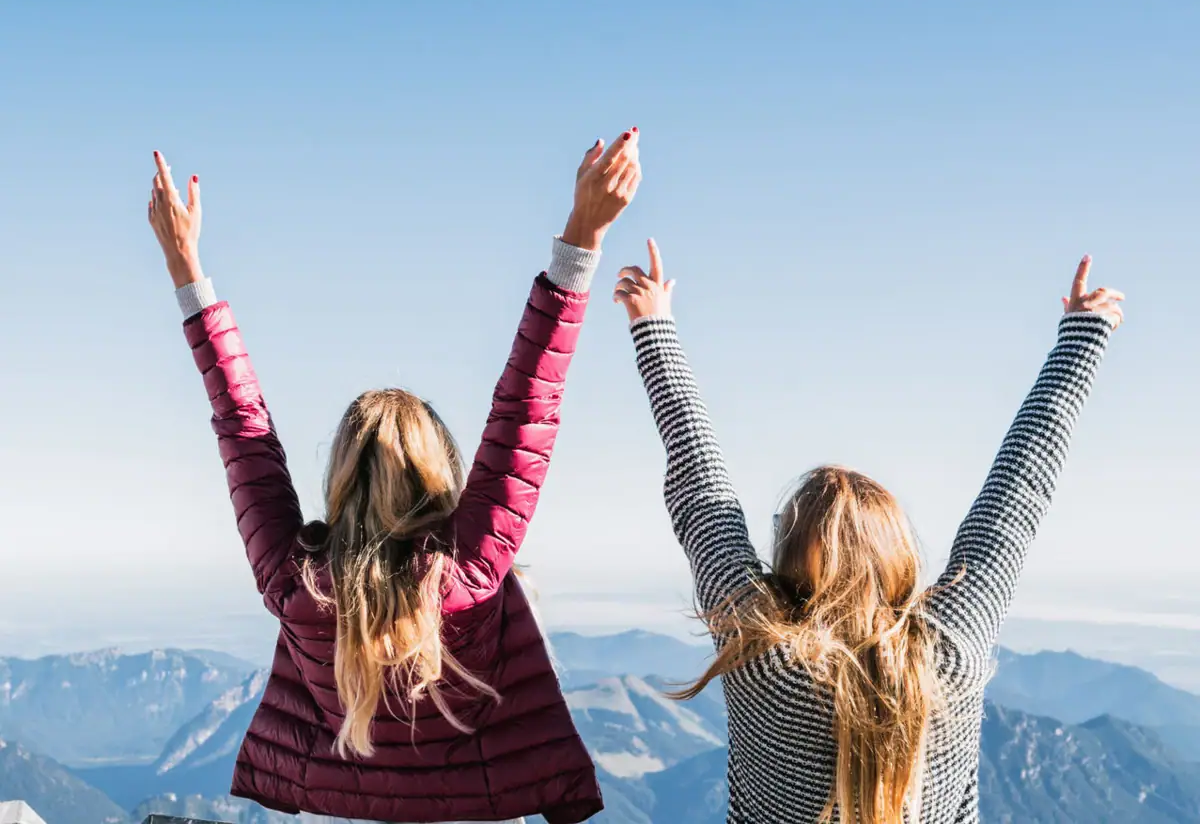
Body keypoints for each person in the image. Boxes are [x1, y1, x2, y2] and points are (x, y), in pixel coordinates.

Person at [147, 131, 643, 824]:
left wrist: (186, 269)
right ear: (440, 468)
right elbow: (528, 407)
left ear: (341, 478)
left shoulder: (296, 587)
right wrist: (583, 236)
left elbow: (243, 429)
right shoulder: (469, 574)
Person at [613, 240, 1123, 824]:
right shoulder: (948, 653)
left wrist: (653, 326)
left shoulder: (762, 654)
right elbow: (1017, 497)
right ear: (899, 555)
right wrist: (1083, 337)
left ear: (789, 558)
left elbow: (701, 493)